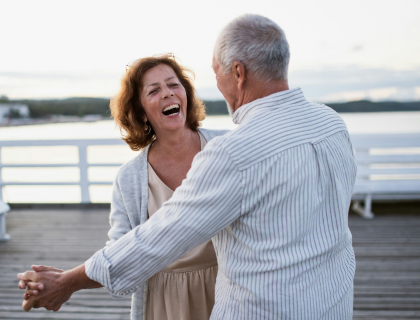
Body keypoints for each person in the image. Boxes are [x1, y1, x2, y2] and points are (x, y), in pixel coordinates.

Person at [18, 14, 357, 319]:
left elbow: (157, 239)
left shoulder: (232, 153)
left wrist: (67, 282)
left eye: (217, 72)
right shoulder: (331, 124)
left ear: (238, 73)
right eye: (154, 90)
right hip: (332, 305)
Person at [19, 54, 227, 320]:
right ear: (141, 111)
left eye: (173, 85)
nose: (167, 94)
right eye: (154, 90)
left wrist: (69, 281)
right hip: (162, 304)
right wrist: (67, 279)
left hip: (229, 290)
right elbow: (121, 254)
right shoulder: (129, 178)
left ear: (185, 94)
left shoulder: (225, 148)